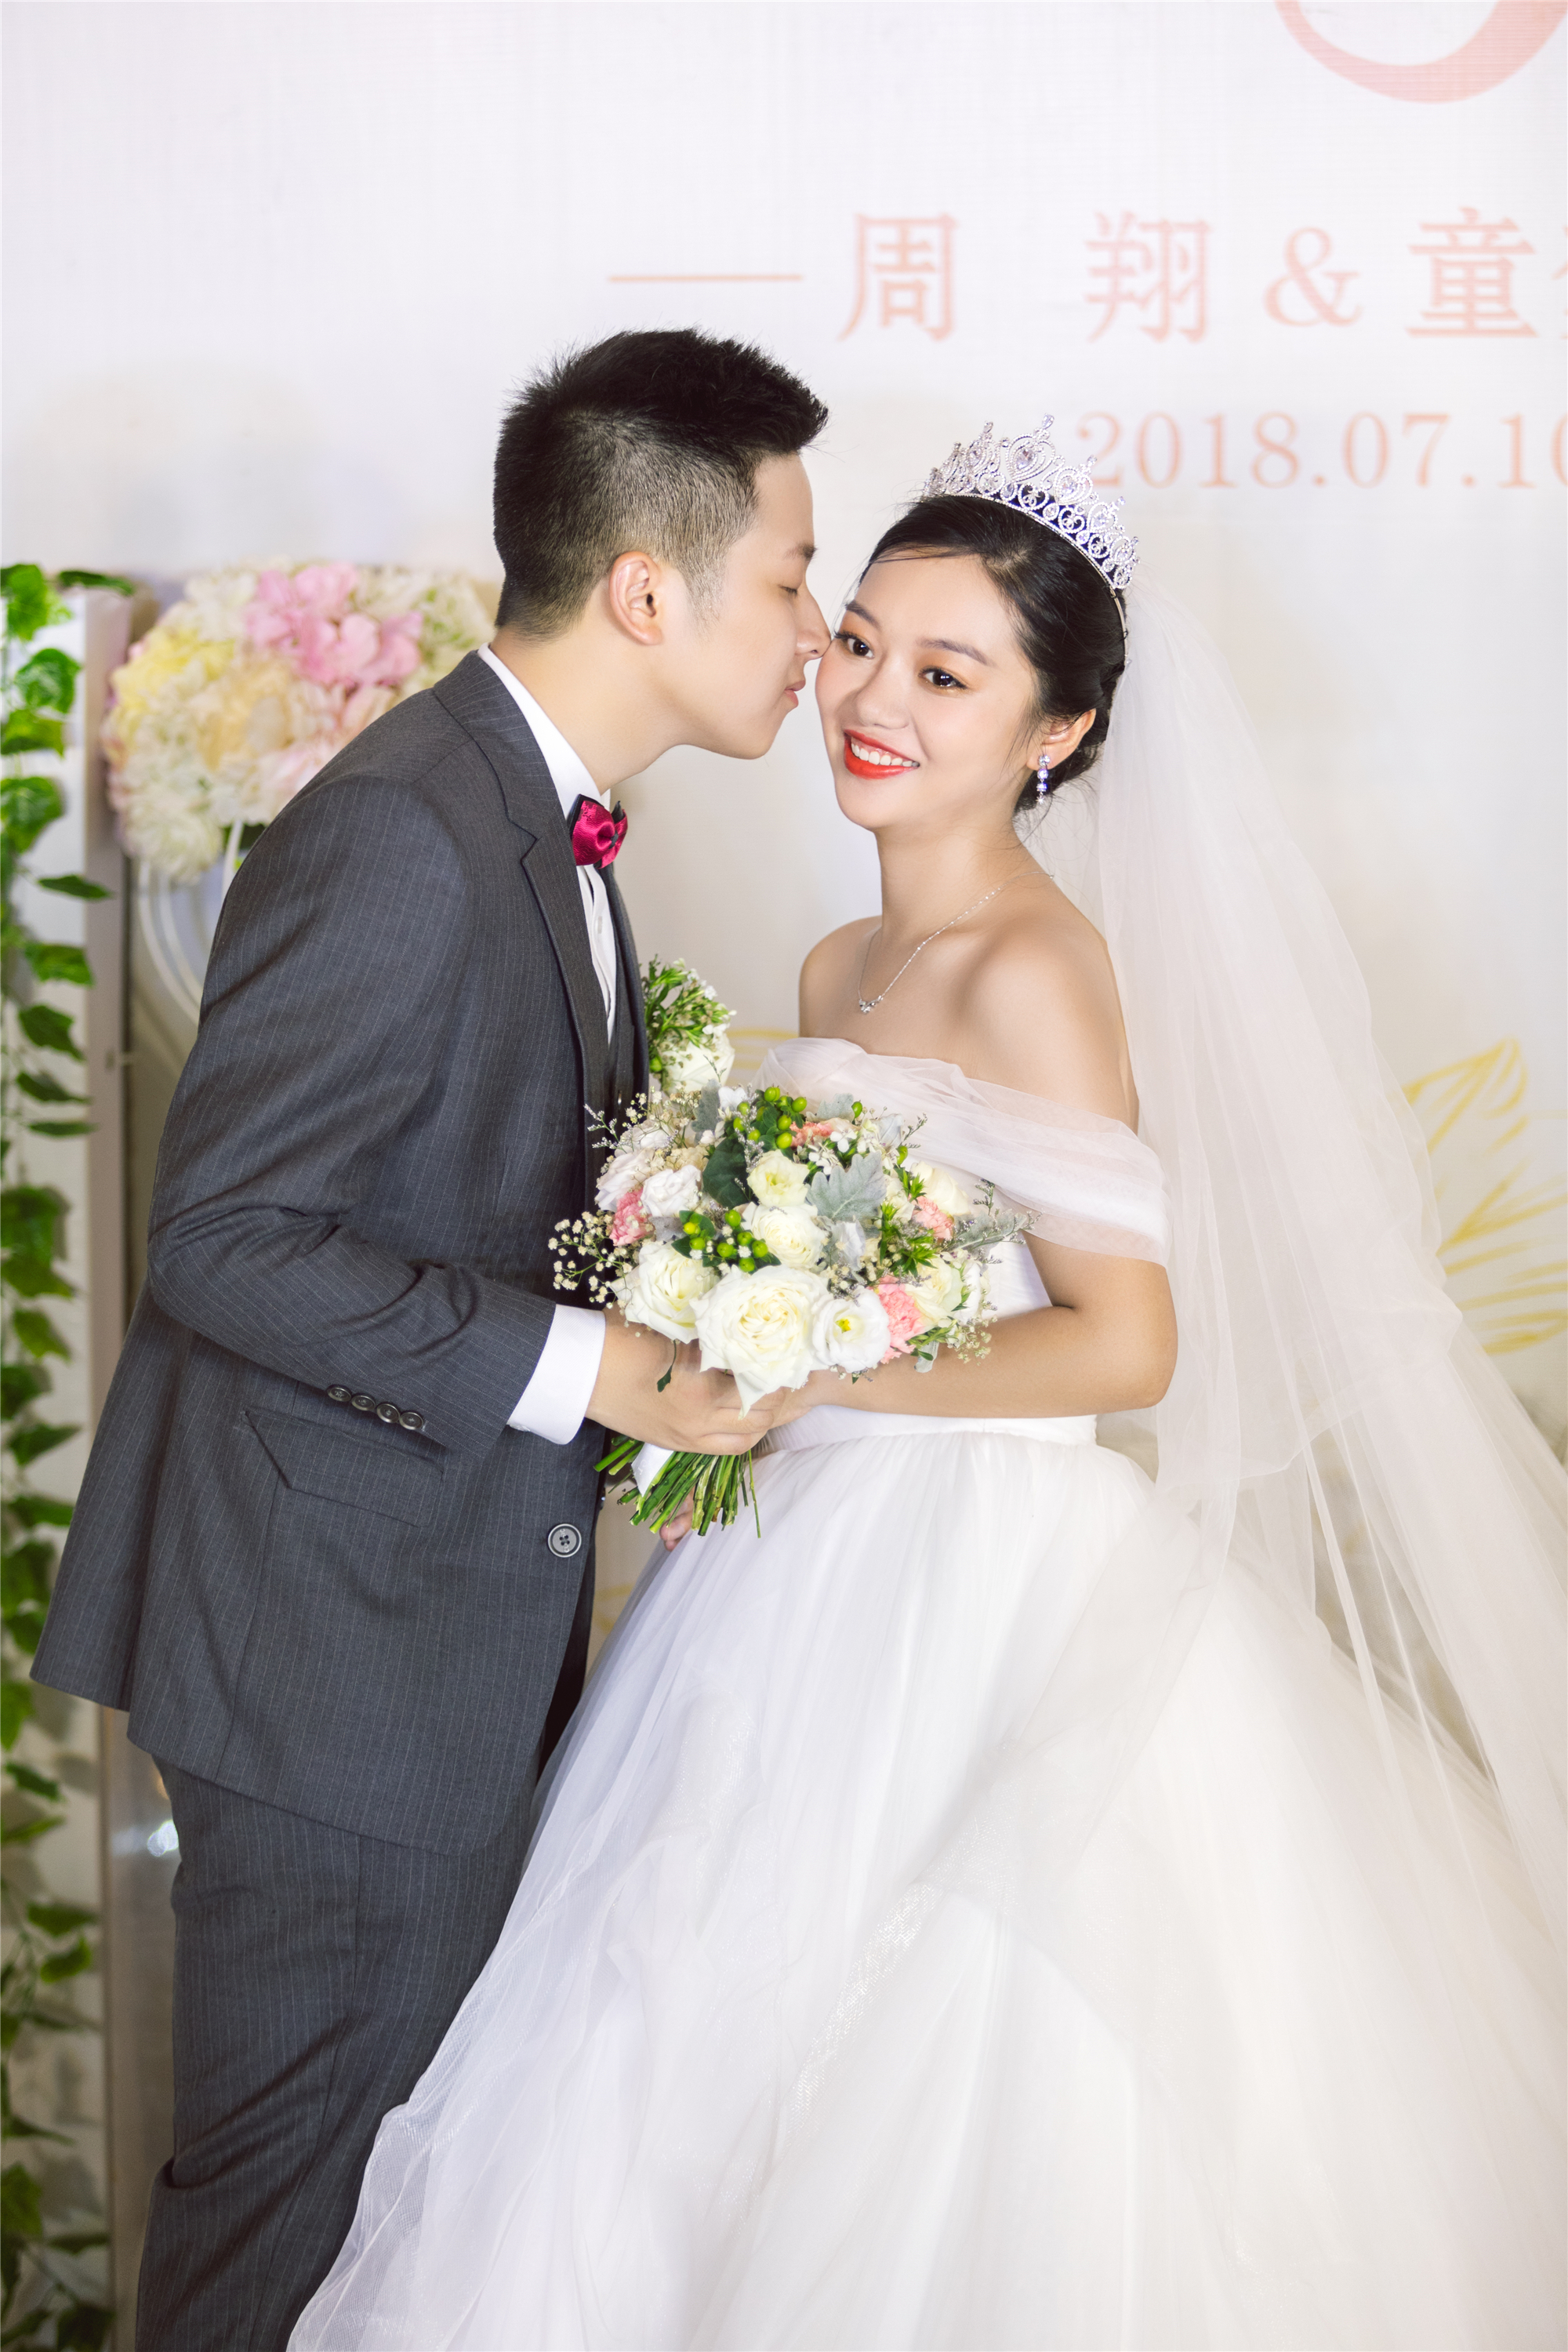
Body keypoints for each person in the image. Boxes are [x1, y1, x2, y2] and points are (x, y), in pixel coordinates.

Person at [293, 416, 1567, 2352]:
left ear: (1059, 732)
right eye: (861, 641)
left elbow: (1123, 1342)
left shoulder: (1035, 967)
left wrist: (802, 1363)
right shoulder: (842, 962)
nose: (872, 699)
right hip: (794, 1567)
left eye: (948, 676)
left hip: (976, 1570)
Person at [31, 327, 830, 2351]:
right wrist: (601, 1369)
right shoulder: (411, 824)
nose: (815, 631)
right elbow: (224, 1237)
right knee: (289, 2227)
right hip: (334, 1677)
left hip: (409, 1644)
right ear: (646, 589)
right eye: (793, 575)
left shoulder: (533, 815)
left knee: (383, 2227)